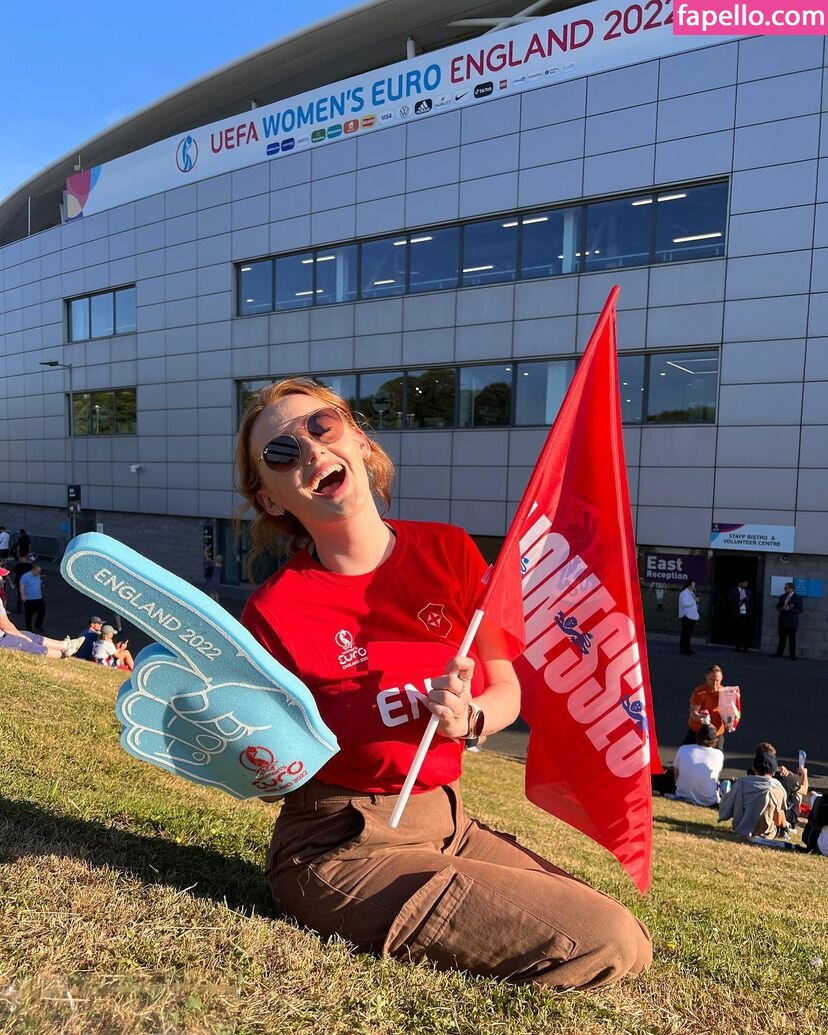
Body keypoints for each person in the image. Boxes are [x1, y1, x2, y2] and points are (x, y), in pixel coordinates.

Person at [235, 377, 652, 990]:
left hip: (447, 823)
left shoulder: (449, 551)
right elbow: (264, 763)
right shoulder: (274, 611)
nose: (311, 450)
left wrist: (470, 717)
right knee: (606, 940)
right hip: (342, 844)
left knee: (632, 939)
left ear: (358, 440)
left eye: (322, 426)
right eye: (281, 453)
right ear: (271, 500)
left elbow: (506, 690)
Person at [0, 567, 85, 659]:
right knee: (29, 644)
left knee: (28, 634)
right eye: (0, 576)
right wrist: (25, 639)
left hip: (37, 599)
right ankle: (61, 656)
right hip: (2, 638)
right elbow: (6, 627)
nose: (2, 579)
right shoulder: (25, 577)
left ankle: (65, 646)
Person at [718, 749, 787, 839]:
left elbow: (726, 806)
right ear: (774, 772)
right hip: (766, 833)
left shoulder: (742, 782)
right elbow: (778, 816)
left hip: (740, 829)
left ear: (753, 768)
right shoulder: (778, 788)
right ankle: (784, 830)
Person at [747, 741, 808, 831]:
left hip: (754, 814)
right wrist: (804, 774)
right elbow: (804, 790)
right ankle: (786, 826)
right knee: (798, 794)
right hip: (781, 817)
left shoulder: (750, 773)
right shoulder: (784, 777)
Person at [672, 725, 725, 807]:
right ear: (715, 740)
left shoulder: (683, 749)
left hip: (681, 796)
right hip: (709, 802)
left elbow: (676, 773)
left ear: (697, 736)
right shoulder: (719, 754)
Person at [683, 664, 729, 744]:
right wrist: (704, 720)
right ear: (706, 677)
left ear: (721, 678)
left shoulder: (725, 692)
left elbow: (731, 711)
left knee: (718, 753)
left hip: (716, 733)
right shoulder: (699, 692)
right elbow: (693, 713)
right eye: (711, 680)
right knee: (686, 750)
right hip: (698, 732)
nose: (714, 683)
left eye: (717, 680)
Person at [773, 582, 802, 660]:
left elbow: (799, 610)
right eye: (784, 588)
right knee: (782, 638)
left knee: (792, 639)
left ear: (791, 589)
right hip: (782, 621)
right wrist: (781, 608)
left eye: (786, 588)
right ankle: (779, 653)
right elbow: (778, 606)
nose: (785, 589)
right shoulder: (783, 596)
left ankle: (792, 655)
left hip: (791, 622)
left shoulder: (797, 597)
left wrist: (789, 609)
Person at [19, 563, 46, 633]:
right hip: (29, 599)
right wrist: (22, 595)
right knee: (29, 614)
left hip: (38, 598)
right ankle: (29, 628)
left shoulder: (37, 575)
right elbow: (21, 586)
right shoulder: (25, 576)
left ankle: (38, 625)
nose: (39, 573)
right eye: (38, 572)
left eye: (40, 572)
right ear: (33, 570)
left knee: (42, 612)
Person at [728, 579, 753, 652]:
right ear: (740, 583)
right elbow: (730, 601)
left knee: (746, 631)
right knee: (737, 630)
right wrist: (737, 604)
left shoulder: (749, 591)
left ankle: (745, 647)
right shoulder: (733, 591)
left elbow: (752, 602)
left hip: (746, 614)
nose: (746, 585)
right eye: (745, 583)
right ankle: (737, 647)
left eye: (747, 583)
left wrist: (750, 612)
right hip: (737, 614)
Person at [678, 578, 699, 655]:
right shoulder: (684, 593)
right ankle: (683, 649)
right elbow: (685, 603)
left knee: (689, 633)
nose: (694, 586)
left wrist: (696, 599)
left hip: (692, 616)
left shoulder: (692, 593)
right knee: (685, 633)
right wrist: (693, 602)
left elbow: (696, 602)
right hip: (686, 616)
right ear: (689, 585)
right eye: (693, 585)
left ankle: (688, 648)